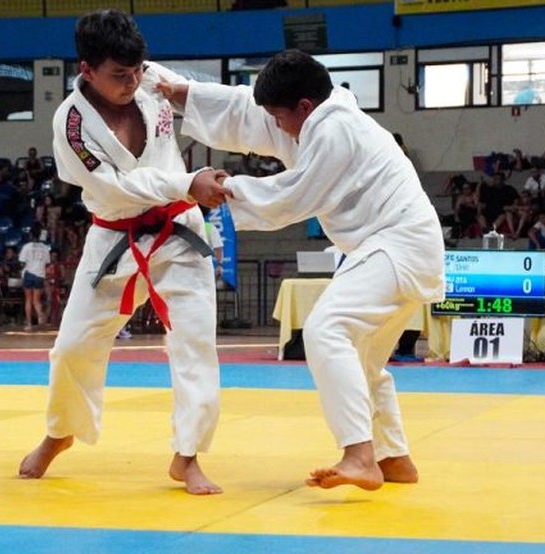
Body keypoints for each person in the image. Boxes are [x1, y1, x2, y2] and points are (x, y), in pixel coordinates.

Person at [158, 48, 444, 491]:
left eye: (279, 116)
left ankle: (359, 456)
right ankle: (393, 456)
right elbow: (244, 111)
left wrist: (225, 189)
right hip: (398, 248)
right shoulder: (312, 118)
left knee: (326, 329)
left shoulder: (335, 132)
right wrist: (183, 95)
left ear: (304, 107)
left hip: (397, 244)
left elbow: (293, 196)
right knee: (363, 362)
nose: (273, 126)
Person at [17, 9, 231, 495]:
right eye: (119, 75)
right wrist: (186, 181)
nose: (132, 82)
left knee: (196, 342)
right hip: (114, 237)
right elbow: (117, 190)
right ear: (86, 70)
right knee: (73, 346)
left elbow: (199, 104)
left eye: (138, 70)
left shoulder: (150, 80)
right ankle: (59, 433)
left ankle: (188, 455)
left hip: (179, 230)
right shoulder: (71, 124)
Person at [19, 224, 50, 331]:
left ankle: (29, 324)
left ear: (31, 235)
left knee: (28, 299)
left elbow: (22, 262)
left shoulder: (26, 247)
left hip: (29, 274)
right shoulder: (45, 248)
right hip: (40, 274)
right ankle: (40, 315)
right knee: (36, 300)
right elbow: (47, 262)